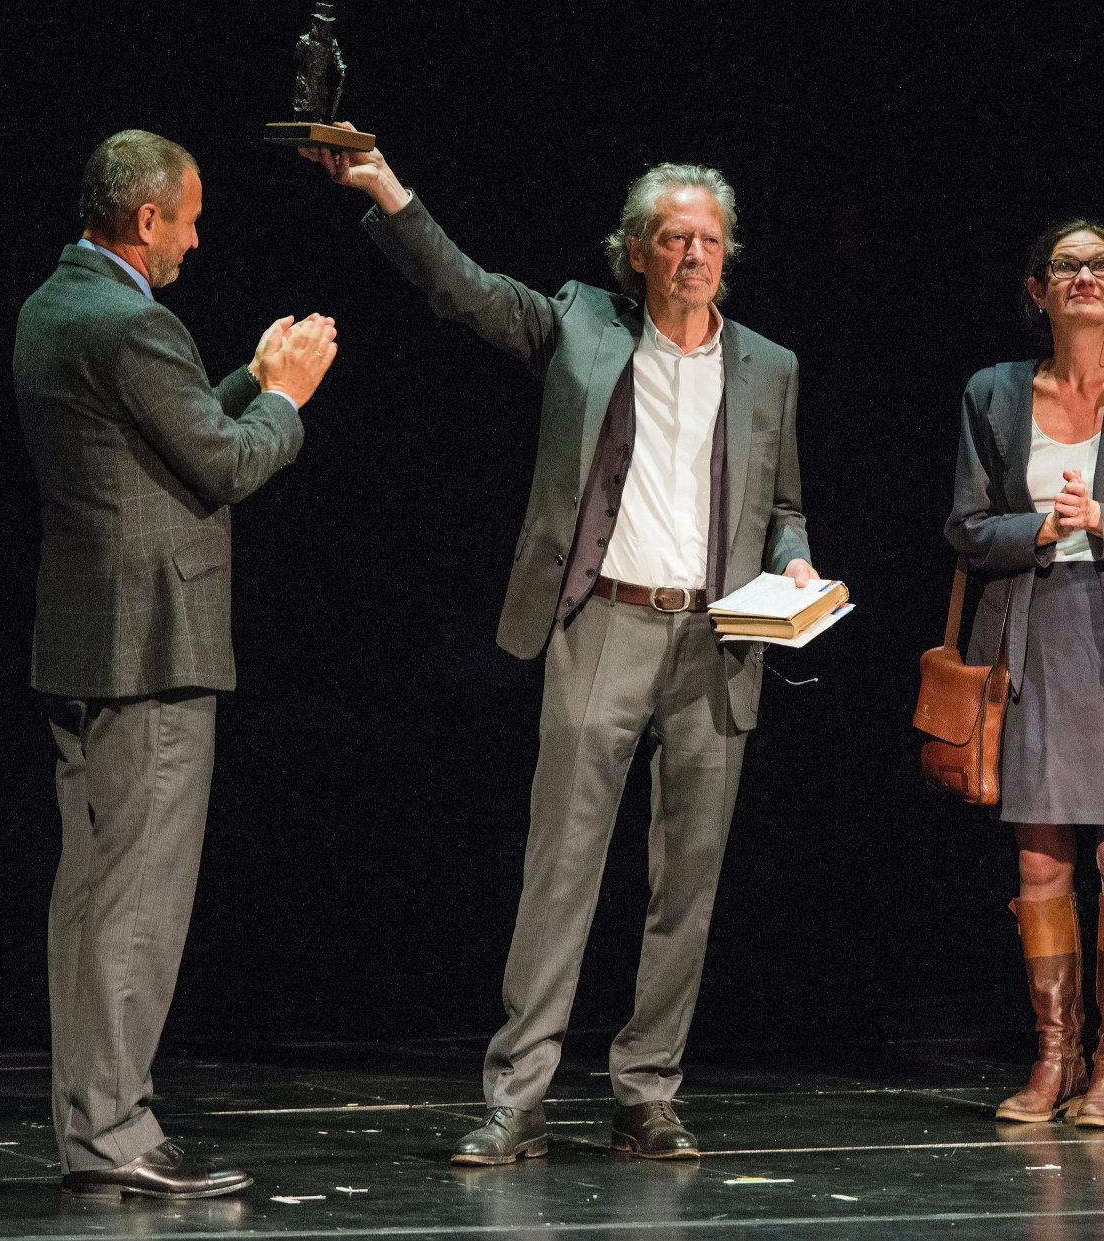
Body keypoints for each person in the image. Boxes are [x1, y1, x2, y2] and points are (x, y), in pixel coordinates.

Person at [303, 130, 818, 1163]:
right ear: (633, 251)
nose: (691, 256)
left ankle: (647, 1094)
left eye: (707, 240)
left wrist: (796, 561)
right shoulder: (580, 325)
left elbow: (784, 503)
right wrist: (388, 190)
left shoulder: (769, 365)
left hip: (719, 639)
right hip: (604, 623)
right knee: (562, 868)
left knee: (689, 882)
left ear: (728, 253)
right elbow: (462, 288)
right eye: (670, 238)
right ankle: (518, 1096)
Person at [14, 129, 338, 1197]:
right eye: (188, 219)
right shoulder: (135, 322)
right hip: (150, 648)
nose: (197, 240)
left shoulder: (55, 306)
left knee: (88, 900)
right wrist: (287, 396)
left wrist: (246, 369)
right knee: (137, 904)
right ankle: (118, 1135)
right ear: (146, 219)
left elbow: (164, 431)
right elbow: (221, 462)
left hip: (82, 642)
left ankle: (89, 1131)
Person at [945, 219, 1104, 1130]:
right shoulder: (992, 392)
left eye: (1100, 266)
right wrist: (1041, 530)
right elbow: (967, 529)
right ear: (1037, 290)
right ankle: (1054, 1057)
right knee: (1039, 854)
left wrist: (1101, 519)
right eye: (1066, 265)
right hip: (1030, 634)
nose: (1084, 277)